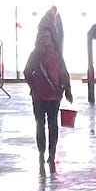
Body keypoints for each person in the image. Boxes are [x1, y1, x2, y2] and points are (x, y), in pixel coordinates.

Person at [23, 24, 72, 166]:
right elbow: (27, 72)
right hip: (39, 96)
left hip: (53, 96)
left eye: (48, 38)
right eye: (44, 37)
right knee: (40, 124)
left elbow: (63, 72)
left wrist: (66, 89)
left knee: (52, 124)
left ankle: (51, 152)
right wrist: (34, 86)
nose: (46, 40)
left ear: (52, 39)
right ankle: (42, 151)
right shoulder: (35, 55)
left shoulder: (56, 54)